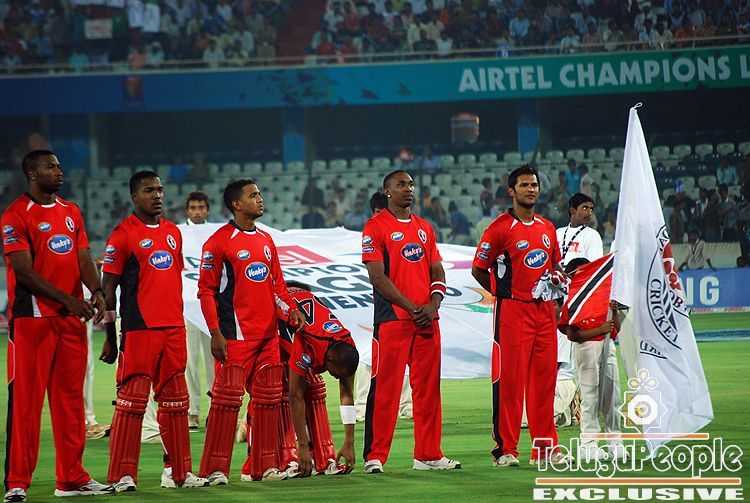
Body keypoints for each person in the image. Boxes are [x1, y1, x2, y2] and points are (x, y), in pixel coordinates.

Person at [1, 150, 113, 503]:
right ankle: (17, 482)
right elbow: (24, 272)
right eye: (51, 167)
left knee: (70, 404)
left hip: (70, 322)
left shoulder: (70, 211)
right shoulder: (16, 214)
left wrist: (96, 290)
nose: (59, 171)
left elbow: (83, 256)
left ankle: (71, 478)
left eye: (59, 166)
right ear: (32, 174)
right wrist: (69, 300)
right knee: (26, 405)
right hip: (32, 322)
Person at [100, 171, 207, 492]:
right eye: (149, 191)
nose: (157, 195)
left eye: (159, 190)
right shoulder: (122, 235)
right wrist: (109, 336)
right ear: (134, 196)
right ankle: (122, 475)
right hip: (139, 329)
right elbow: (108, 289)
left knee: (177, 403)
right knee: (131, 402)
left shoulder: (173, 232)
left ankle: (178, 473)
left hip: (173, 328)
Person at [197, 179, 306, 484]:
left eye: (259, 194)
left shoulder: (266, 240)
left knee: (268, 403)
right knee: (226, 405)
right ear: (237, 204)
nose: (260, 199)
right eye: (253, 195)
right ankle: (214, 470)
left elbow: (277, 286)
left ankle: (261, 467)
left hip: (268, 337)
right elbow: (206, 291)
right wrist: (215, 333)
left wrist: (291, 310)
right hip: (235, 337)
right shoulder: (219, 242)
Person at [361, 170, 460, 474]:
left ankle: (428, 455)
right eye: (401, 184)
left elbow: (437, 270)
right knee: (386, 390)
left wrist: (433, 304)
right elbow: (377, 277)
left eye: (411, 184)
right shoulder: (375, 226)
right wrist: (411, 306)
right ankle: (375, 456)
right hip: (393, 319)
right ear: (387, 191)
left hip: (427, 320)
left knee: (428, 391)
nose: (408, 189)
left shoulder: (424, 228)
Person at [471, 164, 564, 468]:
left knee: (544, 382)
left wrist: (556, 290)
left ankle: (545, 449)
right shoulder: (499, 228)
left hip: (544, 312)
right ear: (512, 191)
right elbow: (478, 269)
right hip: (512, 311)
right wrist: (503, 292)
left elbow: (555, 267)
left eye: (534, 185)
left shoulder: (548, 228)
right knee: (510, 382)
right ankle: (505, 449)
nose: (530, 189)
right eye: (524, 185)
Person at [277, 282, 359, 477]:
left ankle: (321, 457)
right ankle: (278, 459)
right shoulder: (307, 344)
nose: (336, 377)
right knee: (274, 386)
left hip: (301, 301)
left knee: (313, 387)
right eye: (336, 374)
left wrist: (349, 441)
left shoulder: (347, 344)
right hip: (276, 310)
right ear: (328, 361)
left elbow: (347, 394)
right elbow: (295, 396)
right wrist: (302, 447)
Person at [558, 257, 624, 462]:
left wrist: (614, 311)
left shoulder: (604, 297)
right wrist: (599, 330)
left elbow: (616, 329)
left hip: (607, 346)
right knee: (590, 398)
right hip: (586, 348)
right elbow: (572, 334)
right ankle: (588, 444)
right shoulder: (573, 302)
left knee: (612, 397)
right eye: (581, 273)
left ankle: (615, 441)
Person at [355, 192, 413, 422]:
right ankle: (362, 408)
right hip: (378, 306)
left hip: (403, 304)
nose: (383, 217)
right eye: (379, 213)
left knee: (404, 357)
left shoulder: (408, 233)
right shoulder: (371, 234)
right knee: (368, 356)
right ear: (373, 213)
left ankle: (406, 405)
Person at [183, 191, 215, 430]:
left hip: (211, 304)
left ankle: (216, 408)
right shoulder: (178, 234)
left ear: (207, 210)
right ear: (187, 210)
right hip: (188, 304)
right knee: (189, 360)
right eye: (193, 208)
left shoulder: (216, 233)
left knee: (215, 359)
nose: (197, 212)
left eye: (201, 207)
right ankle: (192, 411)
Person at [556, 193, 603, 268]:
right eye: (585, 208)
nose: (589, 213)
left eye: (591, 209)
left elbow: (595, 266)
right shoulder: (558, 233)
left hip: (580, 276)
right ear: (572, 210)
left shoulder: (593, 235)